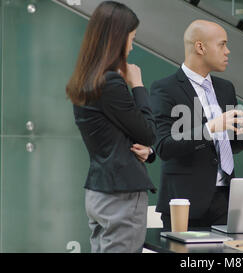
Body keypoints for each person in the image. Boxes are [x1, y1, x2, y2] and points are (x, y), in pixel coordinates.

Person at [66, 1, 156, 253]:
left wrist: (148, 152)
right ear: (117, 39)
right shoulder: (112, 83)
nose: (132, 46)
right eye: (131, 39)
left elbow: (120, 135)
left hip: (99, 192)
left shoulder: (86, 80)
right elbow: (148, 132)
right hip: (121, 195)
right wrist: (137, 85)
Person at [149, 20, 243, 230]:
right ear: (200, 47)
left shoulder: (225, 88)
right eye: (222, 44)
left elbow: (226, 147)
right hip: (184, 203)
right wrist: (209, 128)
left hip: (226, 201)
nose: (228, 51)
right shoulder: (165, 89)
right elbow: (164, 146)